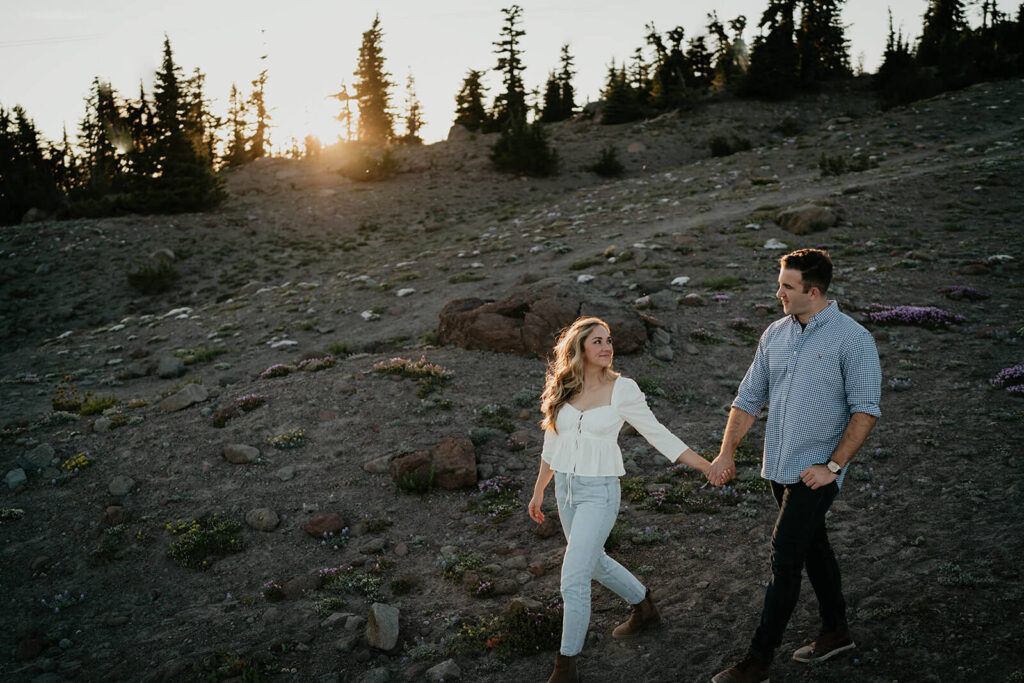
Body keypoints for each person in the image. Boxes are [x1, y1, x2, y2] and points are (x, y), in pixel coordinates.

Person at [707, 249, 882, 683]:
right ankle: (837, 630)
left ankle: (758, 660)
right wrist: (726, 452)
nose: (778, 292)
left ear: (814, 291)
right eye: (780, 282)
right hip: (778, 469)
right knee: (814, 547)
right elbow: (748, 400)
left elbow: (865, 412)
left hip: (816, 472)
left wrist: (833, 467)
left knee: (784, 557)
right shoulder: (774, 334)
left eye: (787, 286)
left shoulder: (852, 338)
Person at [528, 316, 711, 683]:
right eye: (597, 340)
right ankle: (644, 606)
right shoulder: (565, 386)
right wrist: (539, 489)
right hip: (565, 488)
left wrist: (706, 466)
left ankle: (565, 669)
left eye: (608, 340)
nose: (606, 346)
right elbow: (553, 441)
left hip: (599, 490)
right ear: (580, 348)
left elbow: (657, 434)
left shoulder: (622, 389)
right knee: (593, 563)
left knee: (573, 576)